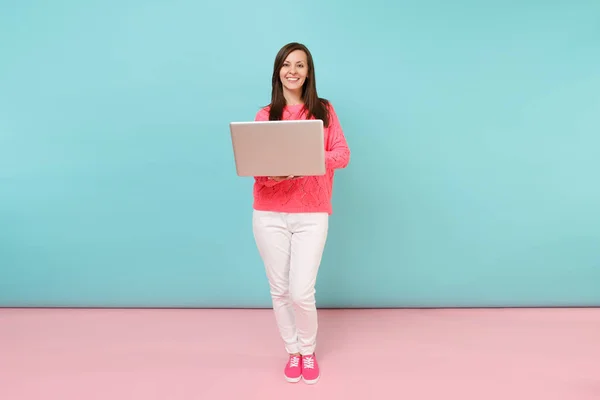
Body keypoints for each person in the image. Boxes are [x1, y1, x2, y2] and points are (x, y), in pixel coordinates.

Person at [251, 42, 350, 385]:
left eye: (300, 65)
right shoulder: (265, 115)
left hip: (312, 212)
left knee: (301, 291)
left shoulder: (323, 110)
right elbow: (256, 167)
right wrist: (272, 174)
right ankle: (292, 351)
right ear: (278, 71)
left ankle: (308, 351)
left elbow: (342, 154)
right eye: (286, 64)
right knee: (278, 290)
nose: (293, 70)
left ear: (309, 72)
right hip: (270, 212)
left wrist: (310, 157)